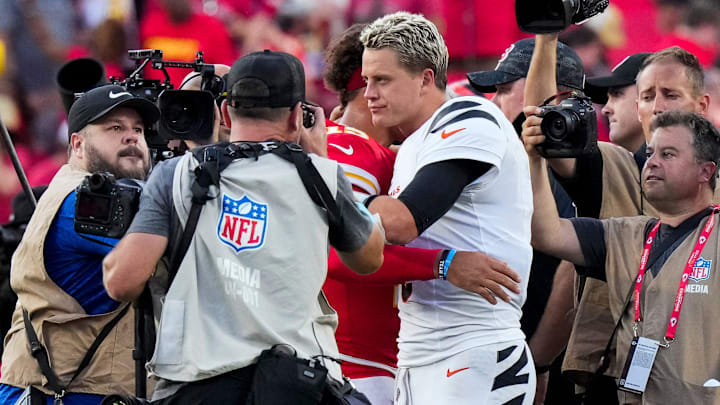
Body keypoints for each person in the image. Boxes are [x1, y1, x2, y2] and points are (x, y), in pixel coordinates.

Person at [102, 50, 385, 403]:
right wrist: (321, 161)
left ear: (224, 112)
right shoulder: (322, 176)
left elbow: (122, 282)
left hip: (199, 386)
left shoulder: (175, 175)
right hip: (297, 385)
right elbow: (369, 258)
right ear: (298, 116)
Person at [322, 23, 523, 404]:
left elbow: (388, 226)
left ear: (423, 78)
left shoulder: (410, 145)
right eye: (367, 81)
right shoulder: (348, 148)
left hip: (429, 355)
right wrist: (442, 263)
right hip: (359, 362)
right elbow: (336, 253)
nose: (373, 93)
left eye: (381, 80)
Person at [525, 110, 720, 405]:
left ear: (706, 171)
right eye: (651, 152)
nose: (652, 162)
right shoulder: (624, 234)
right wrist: (535, 159)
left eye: (668, 154)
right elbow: (546, 234)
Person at [0, 85, 159, 404]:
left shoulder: (107, 192)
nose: (131, 137)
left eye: (138, 129)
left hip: (79, 389)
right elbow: (175, 258)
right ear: (78, 144)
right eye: (115, 128)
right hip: (61, 392)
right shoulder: (82, 200)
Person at [468, 37, 585, 405]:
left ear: (558, 95)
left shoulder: (571, 172)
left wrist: (538, 361)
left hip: (549, 369)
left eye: (504, 90)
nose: (492, 102)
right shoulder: (509, 165)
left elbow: (571, 272)